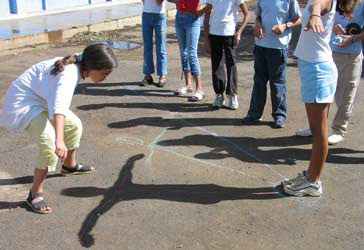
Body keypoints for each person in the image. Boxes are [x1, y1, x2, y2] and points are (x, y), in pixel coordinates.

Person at [0, 43, 117, 213]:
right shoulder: (68, 76)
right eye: (105, 73)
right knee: (49, 144)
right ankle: (34, 193)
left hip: (40, 97)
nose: (106, 78)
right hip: (23, 101)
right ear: (93, 67)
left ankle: (69, 166)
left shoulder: (81, 60)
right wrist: (59, 140)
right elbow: (59, 108)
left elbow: (57, 106)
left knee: (75, 126)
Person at [282, 0, 359, 196]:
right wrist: (329, 24)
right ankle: (310, 175)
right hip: (314, 68)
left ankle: (313, 181)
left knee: (319, 131)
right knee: (318, 129)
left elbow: (318, 7)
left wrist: (315, 15)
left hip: (318, 70)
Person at [296, 1, 364, 145]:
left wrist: (354, 38)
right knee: (322, 96)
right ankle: (316, 127)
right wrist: (332, 26)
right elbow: (318, 10)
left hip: (351, 55)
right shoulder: (335, 1)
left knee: (346, 95)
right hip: (329, 52)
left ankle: (339, 130)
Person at [241, 0, 301, 128]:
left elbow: (299, 19)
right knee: (259, 82)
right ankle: (254, 114)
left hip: (278, 47)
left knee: (277, 84)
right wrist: (257, 24)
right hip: (260, 45)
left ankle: (279, 115)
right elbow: (258, 16)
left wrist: (285, 26)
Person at [203, 0, 250, 110]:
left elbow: (247, 14)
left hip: (229, 33)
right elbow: (206, 17)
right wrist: (206, 39)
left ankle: (232, 94)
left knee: (231, 64)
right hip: (214, 34)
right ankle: (219, 94)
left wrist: (239, 32)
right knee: (216, 65)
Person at [168, 0, 206, 102]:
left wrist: (201, 12)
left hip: (192, 18)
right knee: (183, 53)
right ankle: (188, 85)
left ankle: (200, 89)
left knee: (191, 54)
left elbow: (212, 3)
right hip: (179, 17)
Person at [140, 0, 168, 87]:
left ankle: (162, 76)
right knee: (147, 47)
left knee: (160, 48)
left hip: (159, 15)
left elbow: (159, 2)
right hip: (146, 14)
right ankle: (148, 75)